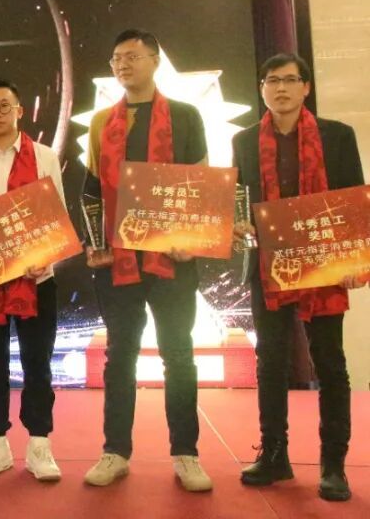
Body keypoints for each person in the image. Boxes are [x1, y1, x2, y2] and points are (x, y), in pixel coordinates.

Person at [81, 29, 212, 492]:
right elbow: (91, 190)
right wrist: (94, 242)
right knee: (120, 355)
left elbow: (200, 185)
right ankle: (115, 451)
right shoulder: (102, 122)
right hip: (118, 261)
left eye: (132, 56)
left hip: (172, 259)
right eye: (116, 58)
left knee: (178, 354)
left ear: (155, 61)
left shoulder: (185, 116)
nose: (123, 64)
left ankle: (186, 454)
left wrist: (191, 239)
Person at [233, 53, 366, 502]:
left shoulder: (337, 135)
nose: (281, 88)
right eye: (272, 81)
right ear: (262, 89)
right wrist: (238, 222)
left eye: (290, 80)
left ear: (306, 87)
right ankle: (274, 454)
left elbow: (354, 200)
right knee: (270, 361)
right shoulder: (244, 140)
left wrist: (355, 259)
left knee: (329, 362)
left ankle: (334, 465)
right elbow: (239, 198)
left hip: (323, 264)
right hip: (268, 267)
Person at [0, 78, 63, 481]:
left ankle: (39, 444)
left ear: (19, 111)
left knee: (37, 364)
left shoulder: (44, 157)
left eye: (4, 106)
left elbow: (57, 215)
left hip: (37, 280)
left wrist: (45, 255)